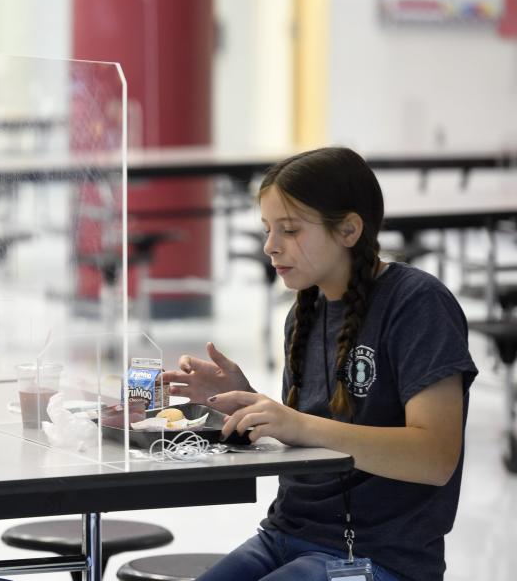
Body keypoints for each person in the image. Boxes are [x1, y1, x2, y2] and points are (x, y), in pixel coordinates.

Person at [162, 147, 478, 581]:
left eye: (289, 230)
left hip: (378, 557)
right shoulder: (305, 312)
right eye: (267, 229)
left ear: (348, 229)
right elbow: (318, 434)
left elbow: (434, 458)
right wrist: (250, 404)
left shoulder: (418, 304)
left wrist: (298, 424)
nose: (270, 246)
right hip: (284, 536)